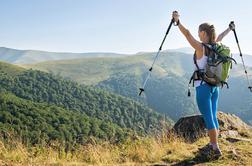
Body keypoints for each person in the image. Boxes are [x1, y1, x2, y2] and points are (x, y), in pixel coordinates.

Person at [172, 11, 235, 158]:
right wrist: (229, 29)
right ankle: (213, 143)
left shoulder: (201, 48)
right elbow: (221, 36)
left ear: (203, 33)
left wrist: (177, 21)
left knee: (208, 117)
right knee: (212, 115)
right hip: (215, 87)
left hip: (203, 88)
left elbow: (187, 34)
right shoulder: (216, 46)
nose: (197, 34)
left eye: (199, 32)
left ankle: (214, 147)